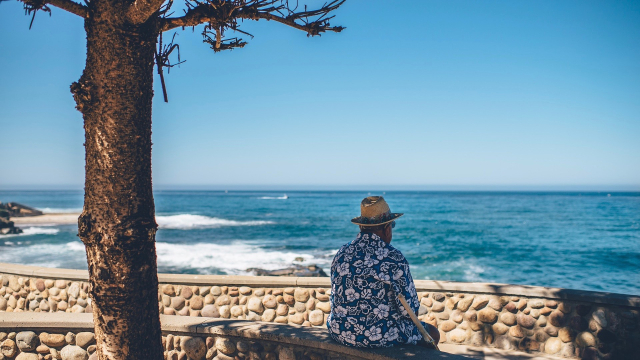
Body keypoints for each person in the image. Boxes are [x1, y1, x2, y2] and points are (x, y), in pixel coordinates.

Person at [326, 196, 440, 348]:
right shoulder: (393, 258)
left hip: (341, 332)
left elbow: (335, 296)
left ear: (361, 227)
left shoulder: (342, 253)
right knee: (433, 333)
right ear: (386, 228)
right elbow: (410, 311)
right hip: (378, 338)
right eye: (392, 225)